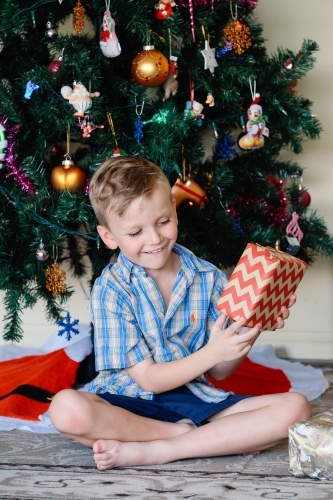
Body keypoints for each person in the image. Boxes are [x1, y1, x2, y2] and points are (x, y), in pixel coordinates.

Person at [48, 156, 311, 470]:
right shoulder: (111, 290)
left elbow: (220, 371)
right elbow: (147, 380)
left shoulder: (208, 277)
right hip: (127, 403)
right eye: (135, 233)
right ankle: (191, 436)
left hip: (192, 398)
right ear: (109, 237)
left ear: (174, 210)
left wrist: (253, 324)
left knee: (296, 408)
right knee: (66, 409)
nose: (155, 239)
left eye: (162, 222)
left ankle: (162, 449)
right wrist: (213, 352)